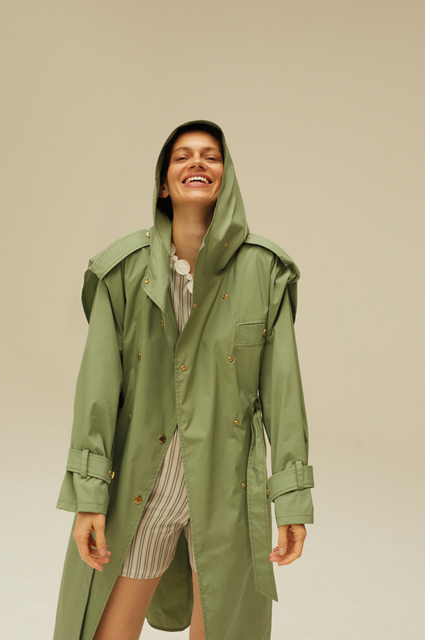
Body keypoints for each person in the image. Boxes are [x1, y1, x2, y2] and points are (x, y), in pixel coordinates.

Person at [52, 120, 315, 640]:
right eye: (183, 156)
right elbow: (97, 392)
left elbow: (284, 391)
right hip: (141, 483)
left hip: (229, 486)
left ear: (226, 175)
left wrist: (291, 499)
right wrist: (88, 497)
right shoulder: (122, 270)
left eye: (211, 156)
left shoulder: (265, 270)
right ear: (163, 182)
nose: (197, 162)